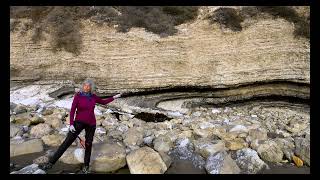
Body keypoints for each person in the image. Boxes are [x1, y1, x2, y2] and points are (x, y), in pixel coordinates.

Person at [40, 79, 121, 173]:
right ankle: (50, 164)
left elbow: (103, 102)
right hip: (78, 123)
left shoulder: (93, 96)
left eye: (88, 86)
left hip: (91, 124)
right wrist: (71, 124)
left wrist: (114, 97)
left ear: (91, 87)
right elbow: (73, 110)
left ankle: (86, 167)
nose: (86, 87)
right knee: (66, 143)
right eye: (85, 85)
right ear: (83, 86)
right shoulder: (78, 96)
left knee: (88, 144)